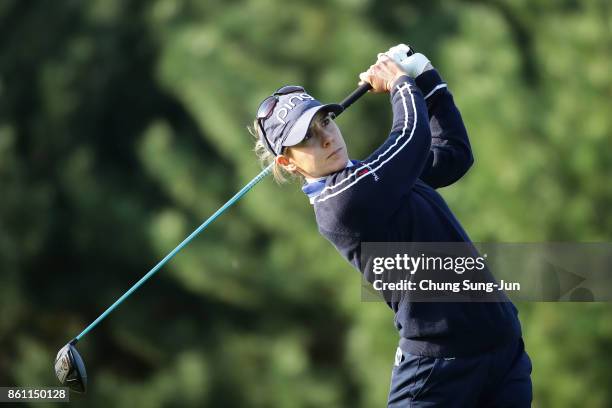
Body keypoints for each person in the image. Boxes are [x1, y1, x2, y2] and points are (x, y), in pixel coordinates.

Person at [251, 44, 532, 407]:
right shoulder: (341, 203)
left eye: (325, 121)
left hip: (502, 350)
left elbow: (452, 155)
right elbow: (409, 138)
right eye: (305, 138)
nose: (325, 137)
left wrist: (426, 77)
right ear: (288, 163)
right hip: (438, 370)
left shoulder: (377, 177)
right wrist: (400, 83)